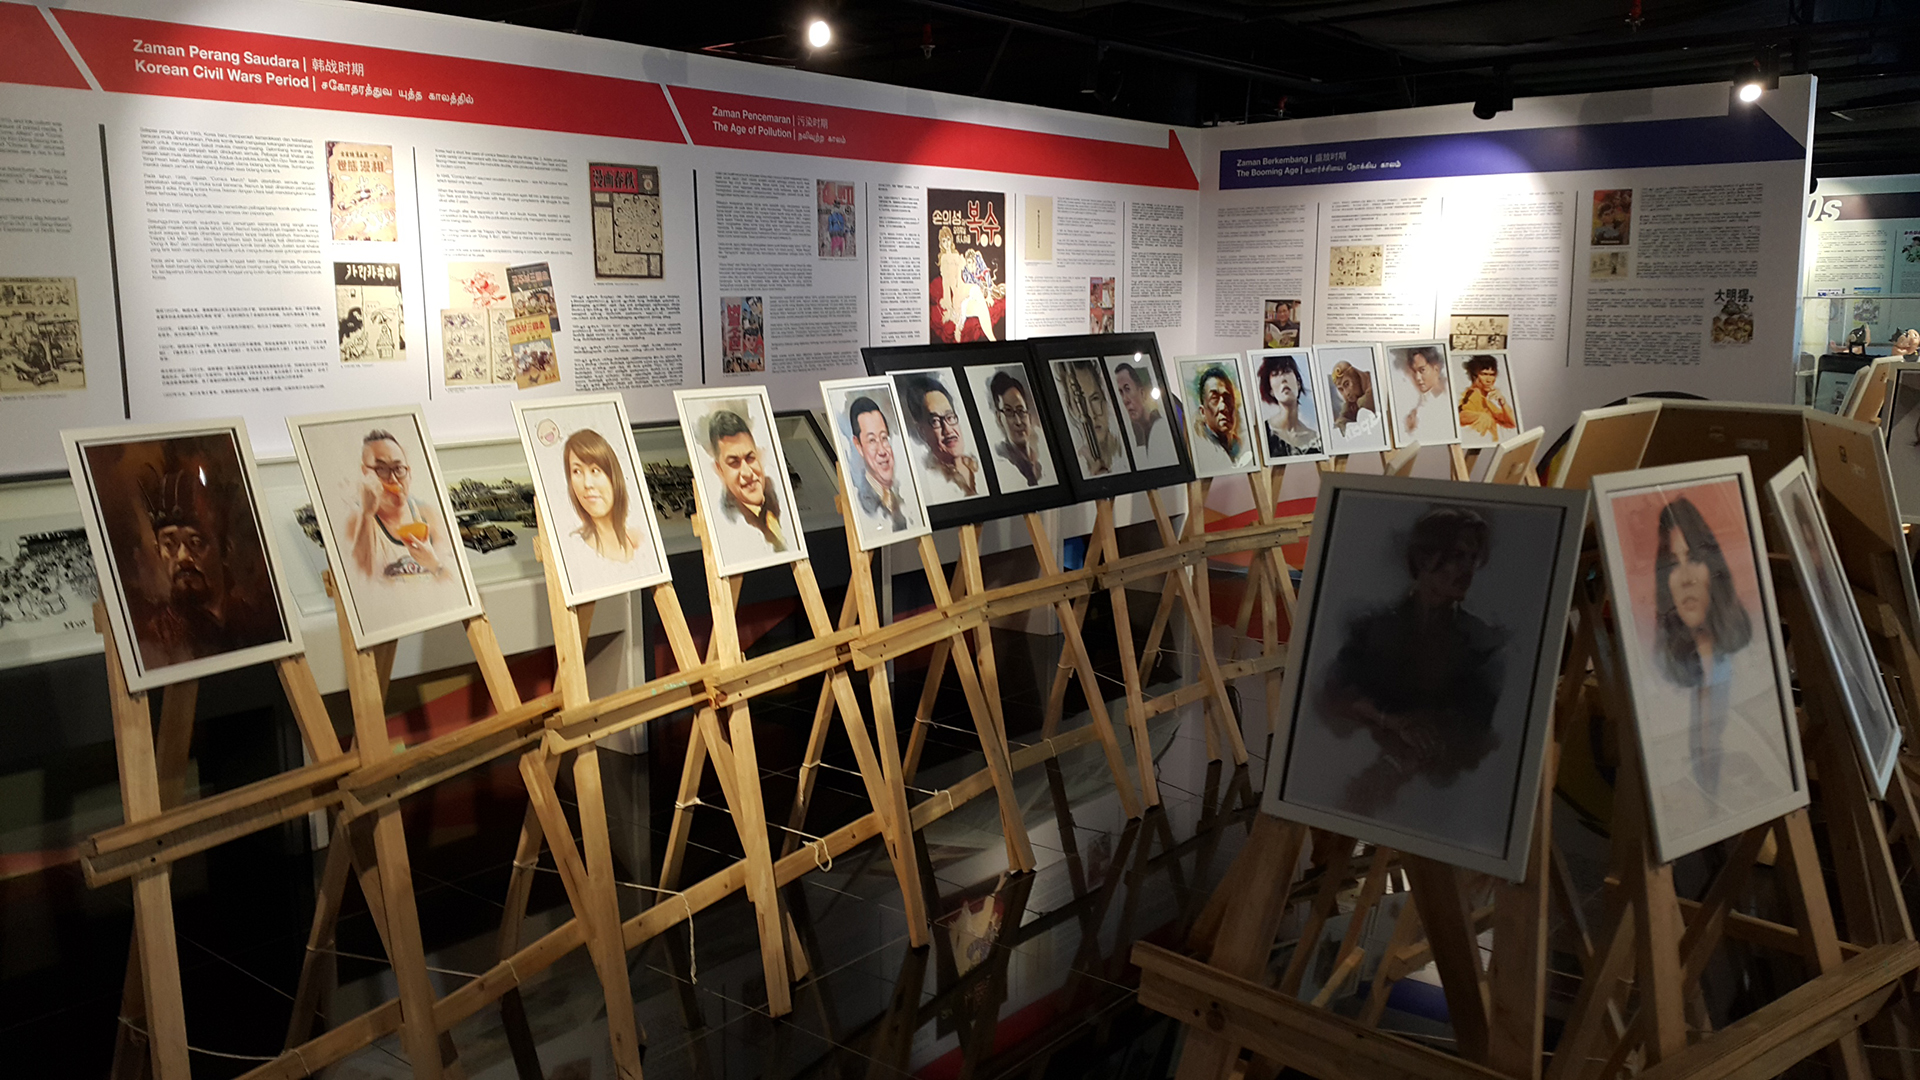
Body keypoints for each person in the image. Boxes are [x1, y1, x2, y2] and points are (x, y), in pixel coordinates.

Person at [1318, 505, 1505, 814]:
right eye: (1458, 556)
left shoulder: (1480, 642)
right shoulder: (1372, 627)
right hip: (1348, 767)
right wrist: (1391, 721)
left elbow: (1476, 727)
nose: (1467, 569)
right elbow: (1333, 694)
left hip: (1437, 799)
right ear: (1423, 558)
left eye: (1472, 558)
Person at [1646, 496, 1780, 803]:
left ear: (1713, 569)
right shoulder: (1660, 671)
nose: (1686, 578)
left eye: (1693, 559)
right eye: (1673, 563)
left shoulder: (1751, 660)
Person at [130, 454, 282, 666]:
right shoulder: (158, 637)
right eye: (170, 545)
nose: (183, 557)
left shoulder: (256, 622)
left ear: (224, 549)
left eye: (196, 542)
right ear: (158, 551)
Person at [345, 429, 454, 584]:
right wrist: (367, 514)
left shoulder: (429, 516)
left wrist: (434, 564)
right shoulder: (355, 522)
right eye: (381, 470)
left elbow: (453, 581)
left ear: (409, 472)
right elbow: (360, 581)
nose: (393, 479)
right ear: (365, 473)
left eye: (399, 469)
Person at [703, 408, 787, 555]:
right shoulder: (729, 523)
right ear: (720, 470)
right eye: (734, 463)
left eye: (750, 458)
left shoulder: (778, 497)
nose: (747, 473)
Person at [560, 428, 646, 565]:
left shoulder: (639, 540)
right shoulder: (574, 549)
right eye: (577, 471)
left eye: (595, 470)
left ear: (613, 476)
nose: (587, 484)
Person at [902, 373, 983, 500]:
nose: (948, 430)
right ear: (922, 431)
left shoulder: (978, 466)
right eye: (935, 421)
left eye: (950, 417)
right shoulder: (931, 481)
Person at [847, 395, 915, 533]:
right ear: (858, 445)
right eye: (872, 440)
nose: (882, 451)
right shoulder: (863, 504)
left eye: (884, 438)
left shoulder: (903, 495)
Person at [1059, 360, 1124, 476]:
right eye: (1079, 403)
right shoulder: (1077, 467)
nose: (1091, 414)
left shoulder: (1123, 452)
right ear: (1071, 409)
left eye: (1095, 399)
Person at [988, 370, 1050, 487]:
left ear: (1029, 415)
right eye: (1009, 411)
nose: (1018, 421)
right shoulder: (1004, 464)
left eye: (1021, 411)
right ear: (999, 418)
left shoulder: (1043, 461)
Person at [1258, 353, 1322, 459]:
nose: (1283, 379)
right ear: (1270, 390)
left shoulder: (1315, 439)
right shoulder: (1263, 432)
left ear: (1298, 383)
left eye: (1287, 371)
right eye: (1275, 374)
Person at [1190, 363, 1252, 469]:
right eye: (1214, 398)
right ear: (1202, 412)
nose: (1223, 407)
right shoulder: (1203, 449)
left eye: (1227, 398)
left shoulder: (1240, 446)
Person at [1112, 361, 1172, 463]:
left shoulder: (1160, 428)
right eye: (1121, 392)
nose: (1125, 400)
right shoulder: (1146, 431)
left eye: (1127, 389)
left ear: (1142, 393)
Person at [1397, 346, 1454, 443]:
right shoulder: (1418, 403)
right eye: (1414, 372)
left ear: (1436, 368)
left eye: (1422, 370)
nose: (1418, 377)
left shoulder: (1446, 399)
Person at [1457, 354, 1518, 441]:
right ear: (1474, 376)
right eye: (1484, 374)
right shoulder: (1472, 395)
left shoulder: (1487, 401)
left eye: (1492, 375)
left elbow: (1513, 423)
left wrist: (1503, 404)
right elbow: (1460, 416)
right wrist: (1483, 418)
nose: (1489, 380)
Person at [1329, 360, 1380, 438]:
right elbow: (1343, 418)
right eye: (1341, 389)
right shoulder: (1351, 402)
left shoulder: (1374, 383)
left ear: (1356, 377)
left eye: (1347, 384)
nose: (1346, 393)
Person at [936, 227, 966, 335]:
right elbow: (945, 281)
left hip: (958, 283)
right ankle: (956, 322)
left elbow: (959, 275)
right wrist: (948, 299)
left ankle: (957, 319)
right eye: (944, 241)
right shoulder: (944, 258)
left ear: (951, 240)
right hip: (950, 285)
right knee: (953, 307)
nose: (947, 243)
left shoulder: (956, 256)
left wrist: (958, 286)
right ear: (941, 243)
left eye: (948, 239)